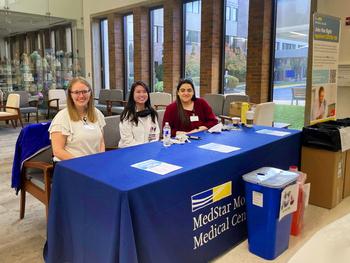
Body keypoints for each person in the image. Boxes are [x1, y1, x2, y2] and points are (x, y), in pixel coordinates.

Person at [49, 77, 106, 161]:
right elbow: (58, 151)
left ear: (90, 93)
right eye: (76, 92)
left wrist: (101, 160)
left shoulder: (97, 113)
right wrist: (82, 164)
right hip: (70, 165)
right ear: (70, 95)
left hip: (94, 164)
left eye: (84, 91)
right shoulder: (61, 117)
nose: (81, 96)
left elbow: (101, 142)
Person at [118, 81, 160, 148]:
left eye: (144, 92)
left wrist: (150, 147)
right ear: (132, 95)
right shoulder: (127, 115)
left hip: (149, 150)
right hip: (130, 151)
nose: (142, 95)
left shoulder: (152, 113)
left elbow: (154, 134)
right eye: (138, 92)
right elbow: (127, 141)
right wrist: (143, 149)